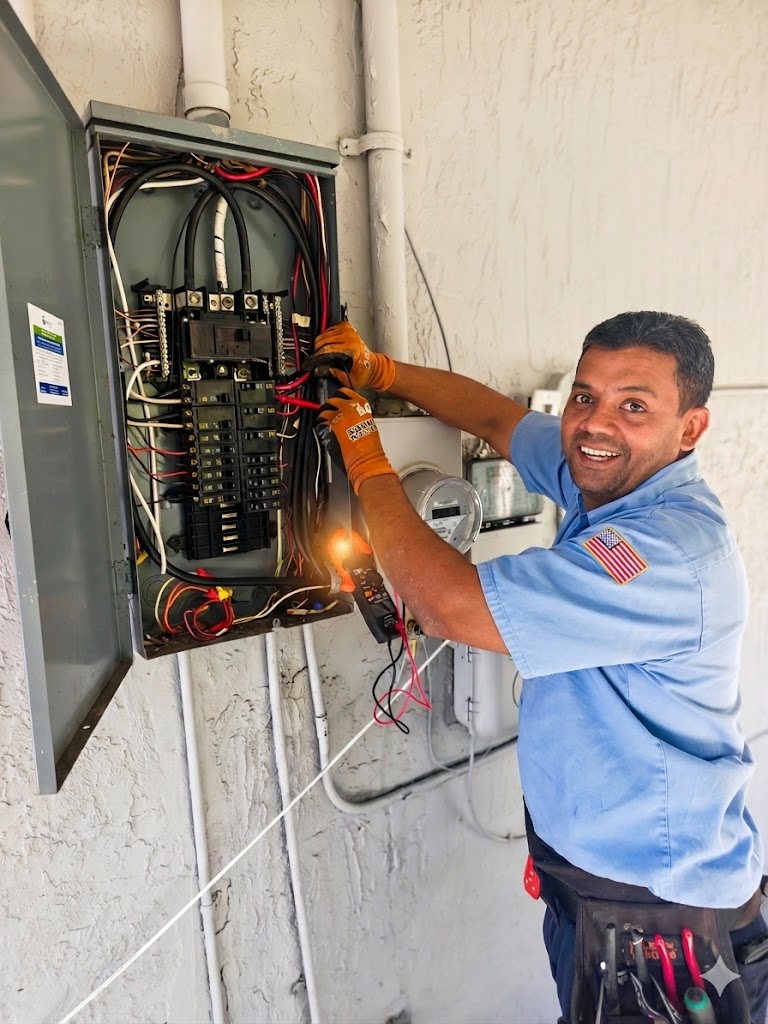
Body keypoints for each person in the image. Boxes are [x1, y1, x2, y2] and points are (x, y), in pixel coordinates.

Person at [306, 311, 768, 1022]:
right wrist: (384, 373)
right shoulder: (611, 475)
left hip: (660, 930)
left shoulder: (666, 553)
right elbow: (497, 419)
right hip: (596, 899)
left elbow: (447, 606)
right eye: (586, 395)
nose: (595, 423)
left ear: (691, 428)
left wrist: (368, 460)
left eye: (634, 405)